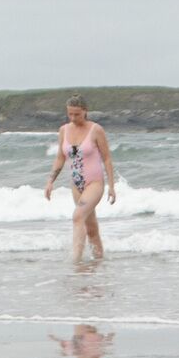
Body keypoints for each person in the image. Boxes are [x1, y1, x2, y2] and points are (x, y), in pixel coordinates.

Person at [45, 97, 116, 262]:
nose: (73, 118)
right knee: (91, 228)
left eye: (77, 114)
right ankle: (99, 261)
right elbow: (60, 158)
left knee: (77, 216)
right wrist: (50, 181)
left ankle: (75, 262)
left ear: (85, 111)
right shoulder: (63, 130)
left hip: (94, 183)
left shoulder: (96, 130)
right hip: (76, 185)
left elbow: (107, 159)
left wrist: (111, 186)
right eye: (70, 114)